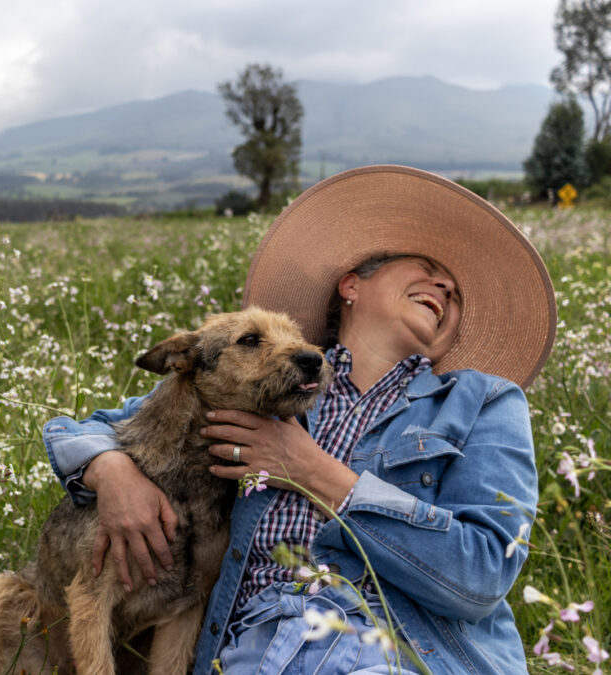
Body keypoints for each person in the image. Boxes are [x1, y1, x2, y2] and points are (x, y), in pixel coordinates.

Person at [43, 165, 557, 674]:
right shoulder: (252, 387)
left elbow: (484, 573)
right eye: (425, 266)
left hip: (395, 645)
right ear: (352, 284)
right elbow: (87, 428)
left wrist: (312, 470)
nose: (444, 284)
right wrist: (112, 473)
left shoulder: (482, 402)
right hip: (259, 643)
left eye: (455, 293)